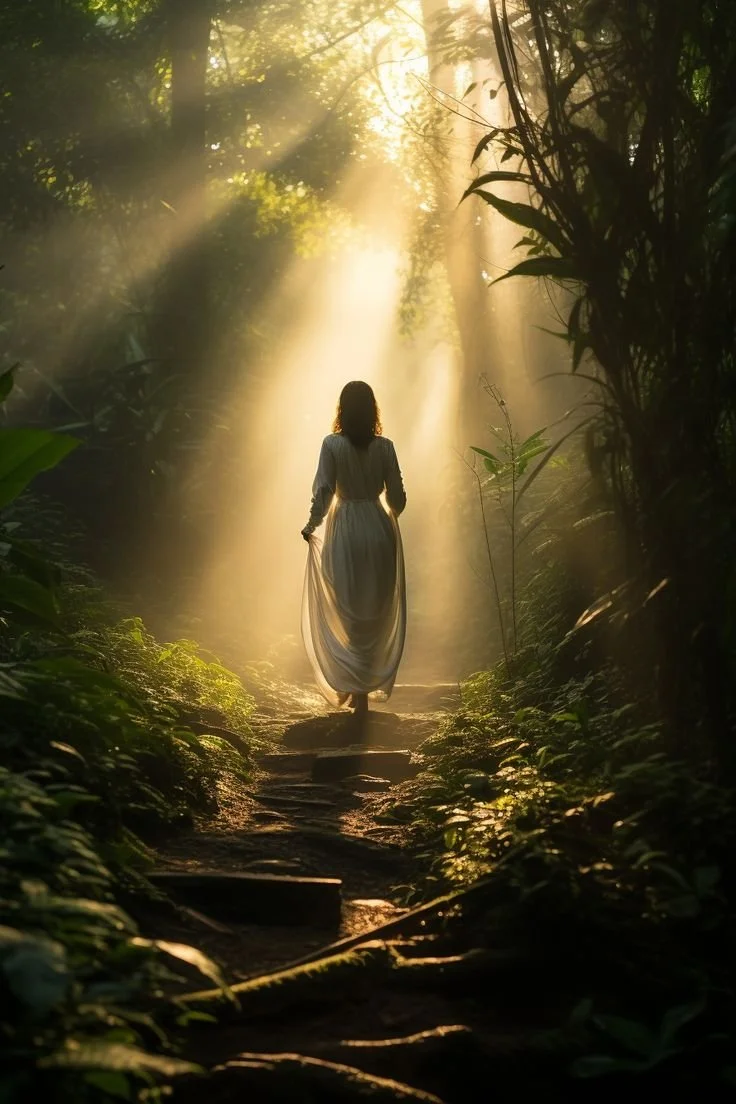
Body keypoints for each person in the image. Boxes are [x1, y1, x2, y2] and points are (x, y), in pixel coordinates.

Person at [301, 381, 406, 712]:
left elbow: (324, 492)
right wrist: (387, 513)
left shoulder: (332, 445)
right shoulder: (385, 447)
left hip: (345, 527)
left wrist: (311, 525)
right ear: (373, 408)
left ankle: (353, 686)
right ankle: (359, 686)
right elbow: (397, 498)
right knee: (374, 608)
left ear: (342, 410)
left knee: (349, 605)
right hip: (377, 528)